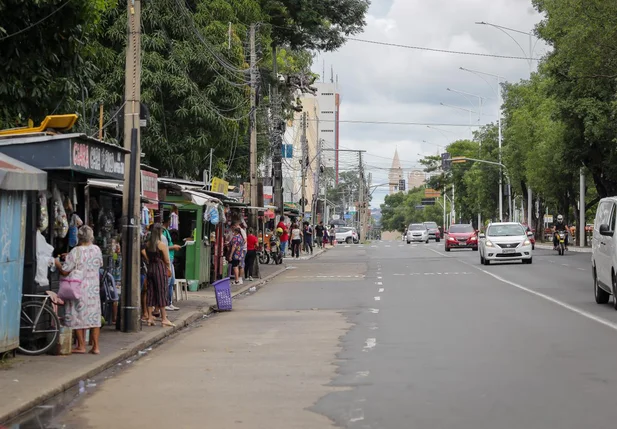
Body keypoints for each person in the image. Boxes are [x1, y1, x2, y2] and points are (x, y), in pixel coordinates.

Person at [54, 225, 103, 354]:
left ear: (79, 237)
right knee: (94, 316)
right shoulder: (97, 249)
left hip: (78, 287)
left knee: (77, 315)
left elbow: (65, 271)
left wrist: (58, 264)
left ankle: (81, 345)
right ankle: (96, 347)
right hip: (93, 288)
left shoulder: (75, 251)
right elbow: (99, 264)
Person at [141, 223, 175, 327]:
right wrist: (168, 268)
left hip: (150, 268)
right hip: (160, 269)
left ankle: (150, 317)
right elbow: (166, 259)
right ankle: (164, 318)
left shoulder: (148, 244)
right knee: (161, 292)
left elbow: (146, 256)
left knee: (150, 292)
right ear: (160, 232)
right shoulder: (161, 245)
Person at [162, 215, 182, 311]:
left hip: (170, 259)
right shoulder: (162, 233)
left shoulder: (166, 232)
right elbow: (163, 247)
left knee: (171, 281)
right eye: (171, 220)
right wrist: (173, 247)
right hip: (167, 259)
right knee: (168, 281)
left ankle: (169, 302)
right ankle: (165, 302)